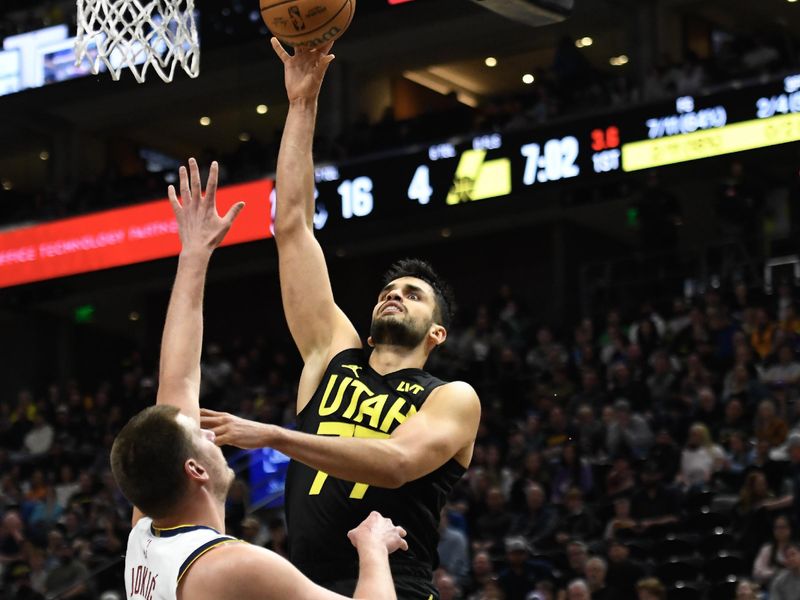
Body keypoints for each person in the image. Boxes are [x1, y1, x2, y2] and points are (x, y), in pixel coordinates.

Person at [200, 39, 481, 599]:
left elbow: (398, 463)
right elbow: (294, 227)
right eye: (389, 289)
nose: (394, 296)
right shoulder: (333, 354)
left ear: (437, 333)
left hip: (396, 585)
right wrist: (301, 105)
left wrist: (276, 435)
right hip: (307, 587)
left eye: (413, 294)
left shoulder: (451, 397)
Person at [109, 159, 407, 600]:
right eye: (202, 436)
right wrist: (373, 549)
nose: (214, 434)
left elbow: (178, 379)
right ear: (193, 470)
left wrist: (194, 253)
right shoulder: (232, 565)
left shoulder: (145, 535)